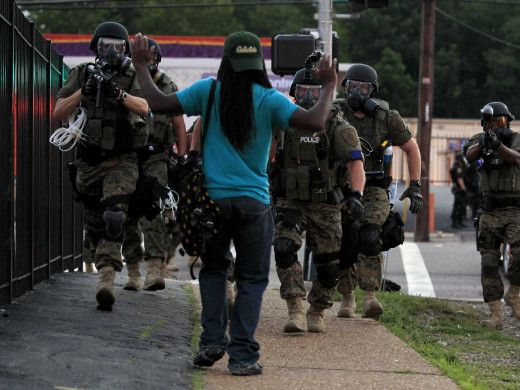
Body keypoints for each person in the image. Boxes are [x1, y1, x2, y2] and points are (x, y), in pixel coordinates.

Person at [130, 30, 338, 376]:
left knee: (213, 270)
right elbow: (315, 121)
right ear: (258, 63)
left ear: (226, 60)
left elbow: (160, 104)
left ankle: (211, 342)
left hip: (211, 203)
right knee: (251, 280)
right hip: (254, 205)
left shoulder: (208, 91)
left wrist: (140, 65)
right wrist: (329, 85)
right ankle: (242, 355)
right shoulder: (269, 99)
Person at [53, 22, 149, 311]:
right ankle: (103, 267)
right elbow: (58, 112)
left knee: (115, 216)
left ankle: (106, 279)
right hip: (89, 161)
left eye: (118, 46)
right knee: (94, 226)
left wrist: (118, 94)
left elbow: (145, 107)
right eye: (106, 45)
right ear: (96, 46)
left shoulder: (132, 75)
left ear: (126, 49)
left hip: (121, 159)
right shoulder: (82, 72)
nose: (111, 51)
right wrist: (84, 90)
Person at [270, 67, 365, 333]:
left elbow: (355, 166)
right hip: (291, 201)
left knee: (328, 264)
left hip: (326, 204)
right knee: (284, 246)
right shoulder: (282, 122)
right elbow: (268, 155)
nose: (309, 97)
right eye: (303, 91)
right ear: (294, 93)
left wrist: (356, 195)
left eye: (315, 91)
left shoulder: (336, 125)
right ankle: (295, 309)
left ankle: (317, 310)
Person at [333, 64, 423, 319]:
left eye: (363, 88)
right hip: (342, 187)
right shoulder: (336, 112)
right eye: (352, 87)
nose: (357, 93)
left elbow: (412, 149)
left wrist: (414, 186)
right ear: (345, 87)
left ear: (372, 91)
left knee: (371, 235)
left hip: (374, 187)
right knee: (343, 239)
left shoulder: (386, 116)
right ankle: (347, 296)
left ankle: (370, 296)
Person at [122, 37, 187, 291]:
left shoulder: (167, 85)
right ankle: (133, 270)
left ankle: (154, 269)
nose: (148, 62)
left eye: (152, 57)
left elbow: (179, 125)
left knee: (155, 211)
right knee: (126, 212)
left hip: (157, 156)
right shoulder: (127, 81)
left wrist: (183, 161)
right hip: (127, 156)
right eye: (143, 57)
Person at [463, 101, 520, 329]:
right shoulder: (480, 138)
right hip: (489, 209)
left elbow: (517, 158)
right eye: (491, 122)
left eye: (501, 121)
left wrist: (498, 145)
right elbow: (469, 155)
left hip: (515, 210)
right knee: (488, 262)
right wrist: (485, 143)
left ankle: (514, 293)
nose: (496, 126)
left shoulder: (516, 139)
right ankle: (495, 314)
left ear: (508, 122)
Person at [449, 151, 468, 229]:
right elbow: (460, 179)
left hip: (457, 188)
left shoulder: (455, 166)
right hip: (459, 189)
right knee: (458, 205)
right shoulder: (458, 167)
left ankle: (459, 221)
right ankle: (455, 222)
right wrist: (463, 188)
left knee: (460, 205)